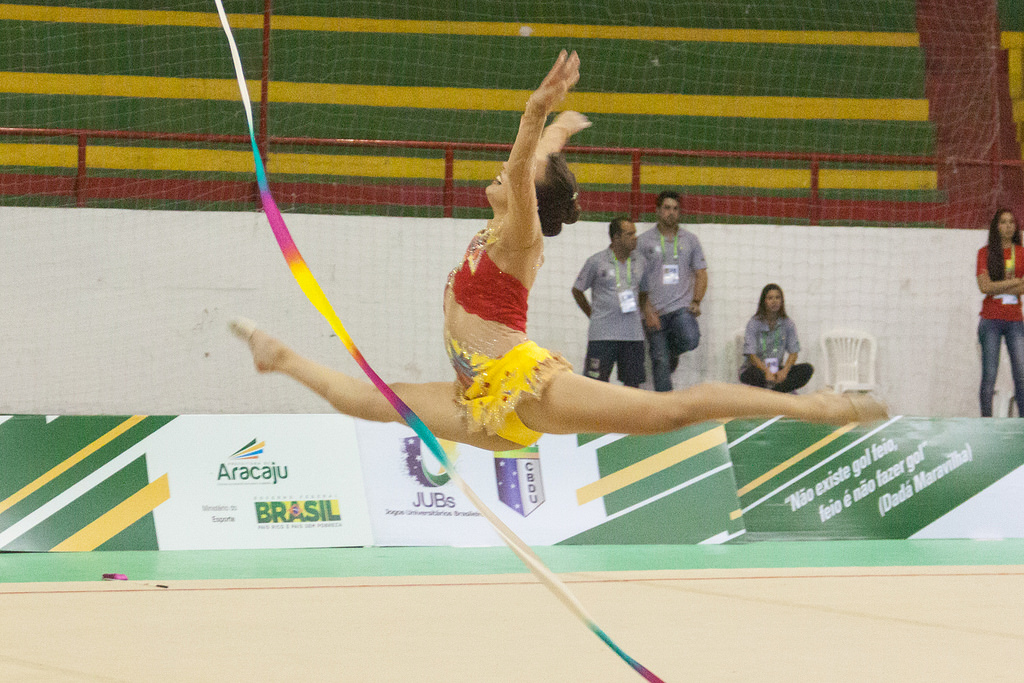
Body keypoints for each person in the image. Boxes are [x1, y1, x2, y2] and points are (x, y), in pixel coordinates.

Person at [232, 51, 886, 453]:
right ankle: (280, 357)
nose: (498, 174)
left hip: (523, 388)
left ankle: (815, 408)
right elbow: (532, 168)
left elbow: (523, 171)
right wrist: (558, 129)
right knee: (375, 400)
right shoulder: (508, 219)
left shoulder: (522, 236)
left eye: (511, 175)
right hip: (475, 395)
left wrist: (535, 113)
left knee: (671, 409)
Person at [636, 190, 707, 391]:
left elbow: (701, 273)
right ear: (657, 211)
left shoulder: (690, 240)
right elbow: (637, 280)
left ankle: (671, 351)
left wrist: (696, 301)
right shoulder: (643, 242)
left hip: (681, 309)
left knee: (691, 339)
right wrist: (647, 310)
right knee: (659, 362)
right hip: (654, 311)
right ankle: (664, 409)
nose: (671, 213)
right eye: (666, 208)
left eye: (675, 209)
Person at [571, 217, 651, 388]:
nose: (635, 237)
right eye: (629, 234)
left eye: (635, 233)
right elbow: (577, 290)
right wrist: (592, 314)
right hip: (602, 335)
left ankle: (628, 416)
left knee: (633, 386)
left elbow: (644, 291)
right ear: (616, 238)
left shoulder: (641, 262)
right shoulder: (596, 261)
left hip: (633, 335)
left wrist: (641, 313)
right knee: (595, 385)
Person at [976, 208, 1024, 417]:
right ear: (996, 226)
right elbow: (984, 287)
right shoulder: (984, 253)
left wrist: (999, 285)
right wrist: (1014, 282)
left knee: (1021, 375)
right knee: (989, 376)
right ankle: (986, 422)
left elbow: (1023, 288)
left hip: (1015, 320)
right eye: (1003, 222)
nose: (1008, 226)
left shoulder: (1021, 253)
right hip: (991, 320)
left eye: (1011, 222)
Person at [739, 284, 814, 393]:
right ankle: (778, 391)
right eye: (770, 298)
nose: (774, 301)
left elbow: (794, 353)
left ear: (782, 301)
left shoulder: (788, 323)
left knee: (807, 369)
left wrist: (784, 371)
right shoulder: (754, 323)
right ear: (764, 301)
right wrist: (766, 372)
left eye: (777, 298)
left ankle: (776, 391)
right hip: (757, 370)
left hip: (777, 370)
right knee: (754, 375)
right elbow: (751, 355)